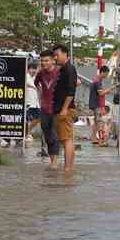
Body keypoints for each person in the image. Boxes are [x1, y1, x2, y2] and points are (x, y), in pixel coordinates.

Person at [50, 44, 78, 176]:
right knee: (67, 139)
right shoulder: (63, 69)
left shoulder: (69, 69)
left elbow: (71, 91)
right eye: (54, 55)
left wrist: (64, 109)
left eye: (57, 55)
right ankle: (69, 168)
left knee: (66, 139)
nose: (55, 58)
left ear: (66, 54)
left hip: (65, 109)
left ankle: (67, 169)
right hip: (62, 108)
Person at [88, 65, 110, 146]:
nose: (107, 76)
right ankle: (95, 138)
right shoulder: (97, 81)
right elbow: (100, 93)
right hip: (96, 103)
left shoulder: (97, 79)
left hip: (96, 103)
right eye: (107, 74)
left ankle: (94, 137)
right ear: (103, 72)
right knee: (98, 121)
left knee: (96, 122)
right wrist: (109, 90)